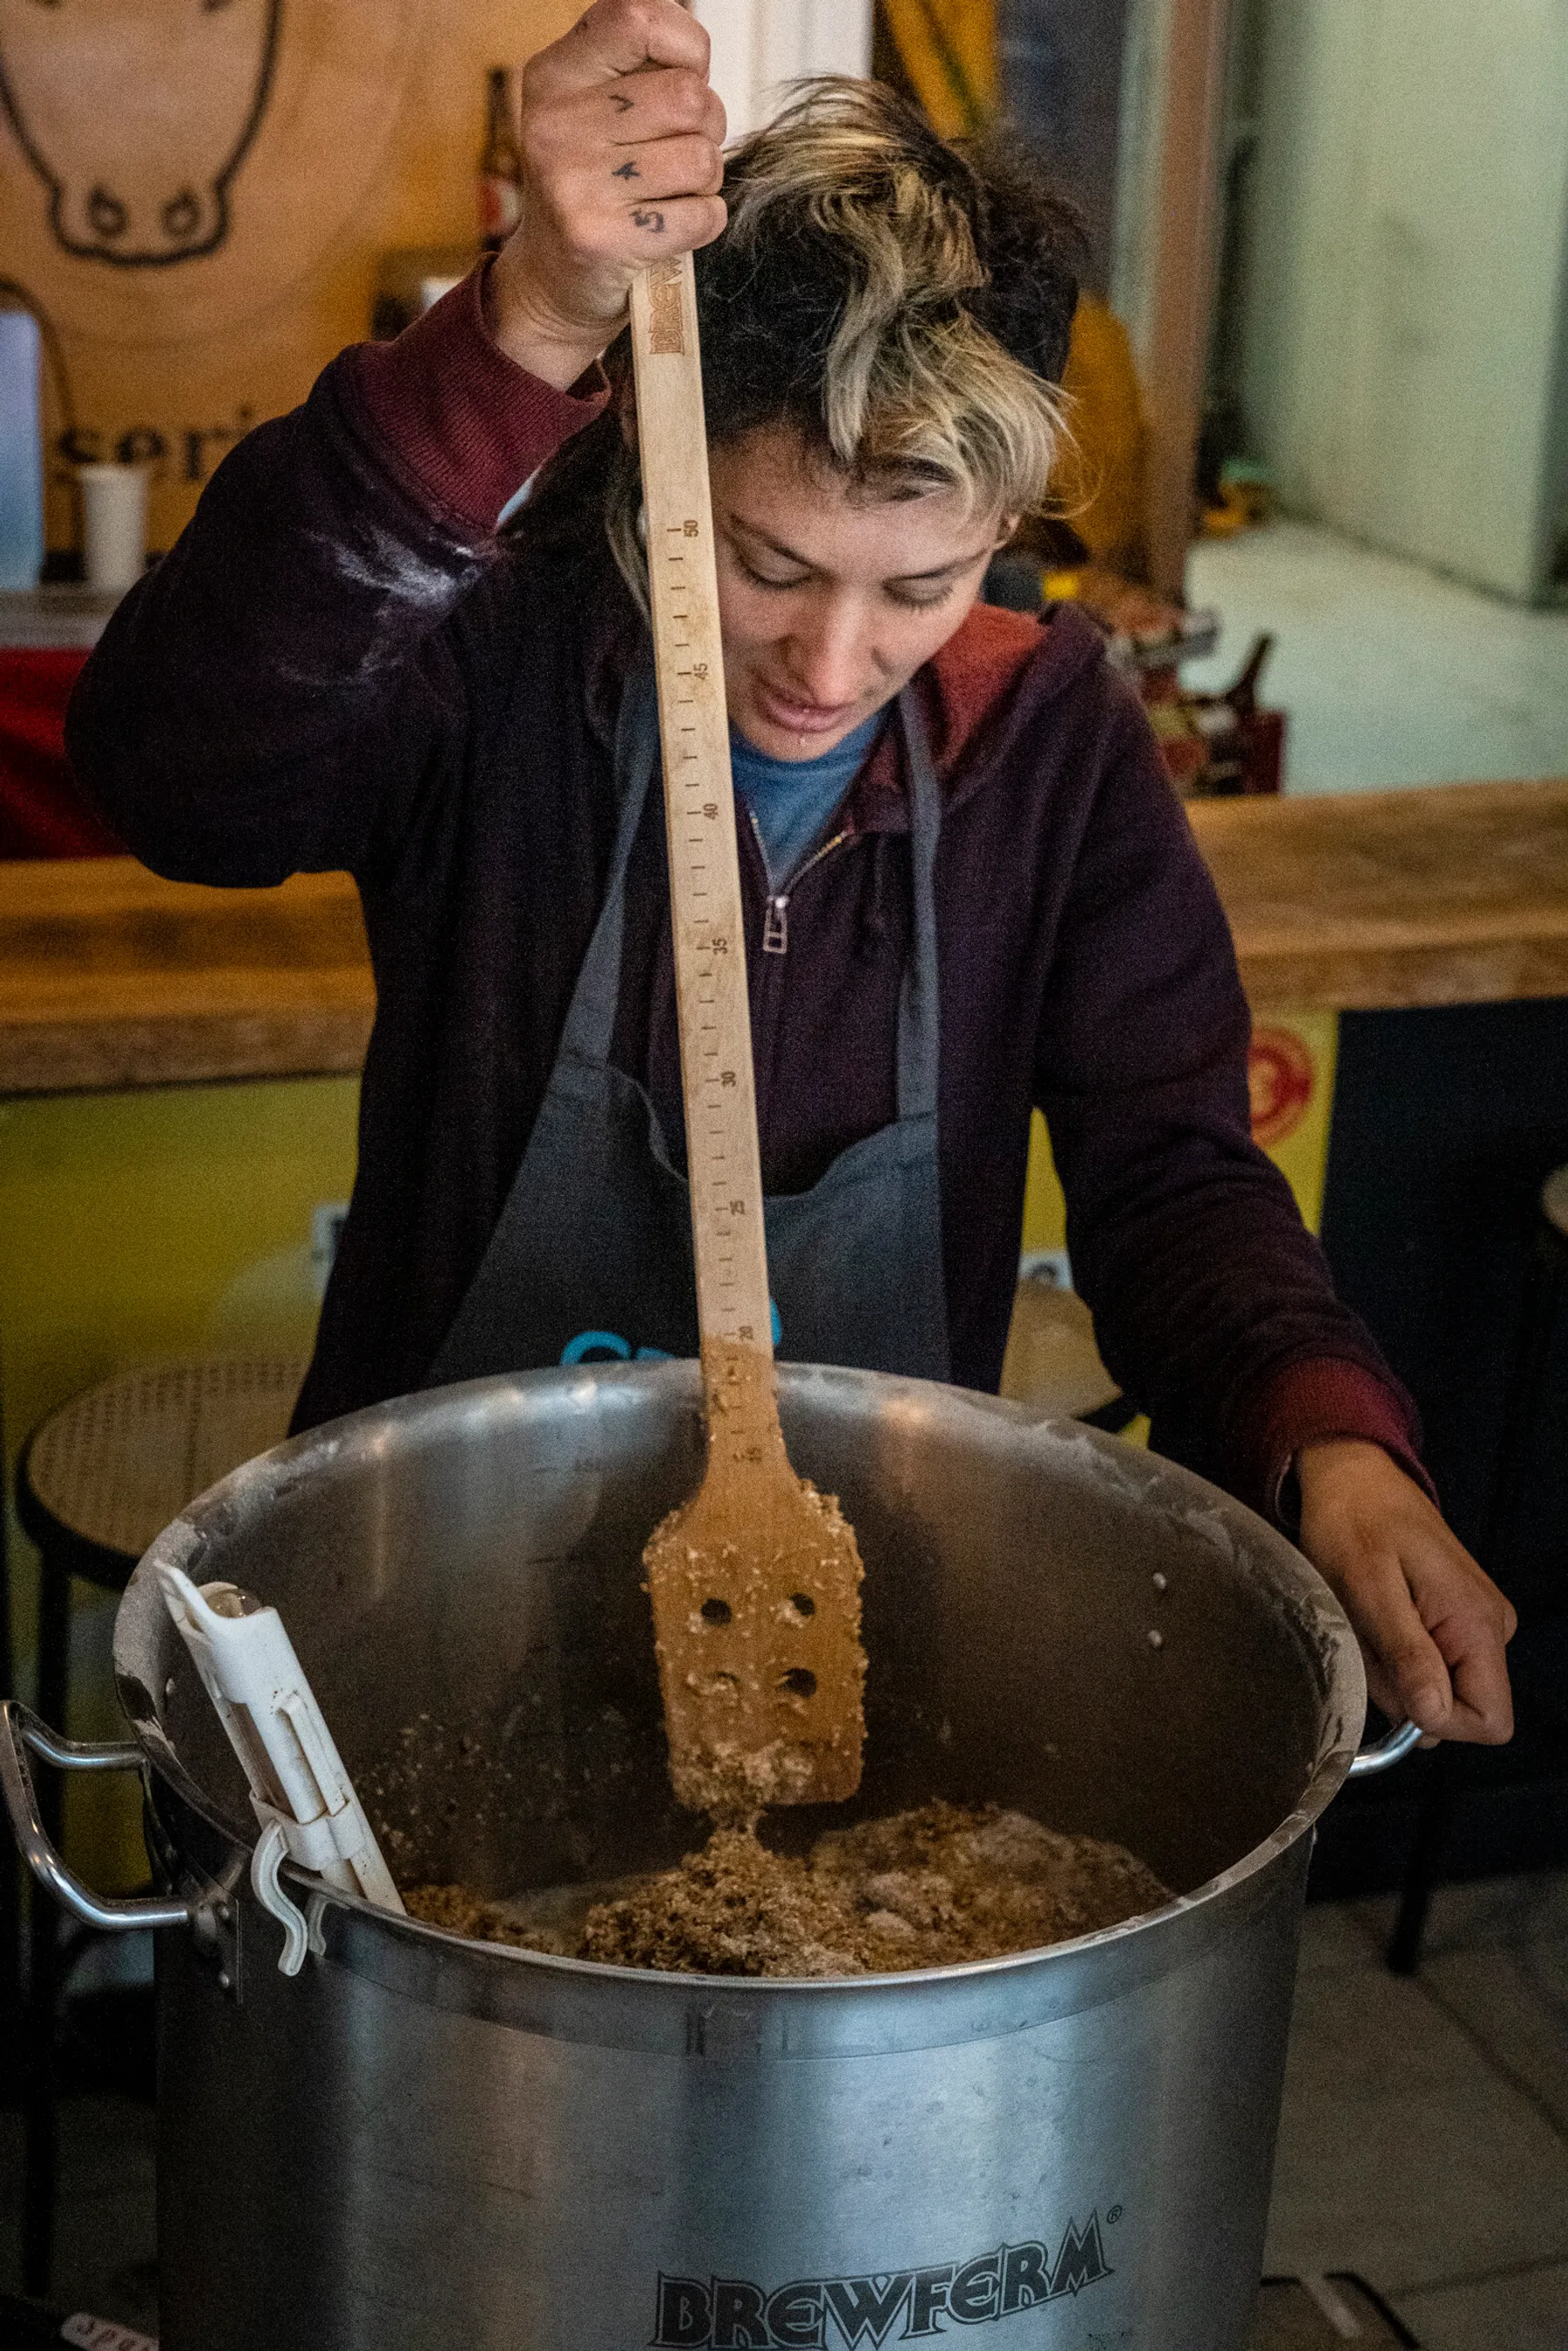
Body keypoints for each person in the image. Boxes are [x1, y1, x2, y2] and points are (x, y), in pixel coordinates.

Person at [69, 0, 1514, 1748]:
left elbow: (1173, 1172)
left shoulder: (1043, 738)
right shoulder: (506, 655)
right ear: (669, 476)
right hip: (430, 1630)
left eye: (919, 587)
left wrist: (1328, 1429)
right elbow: (174, 781)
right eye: (766, 560)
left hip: (846, 1643)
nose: (830, 662)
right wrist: (521, 320)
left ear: (1002, 532)